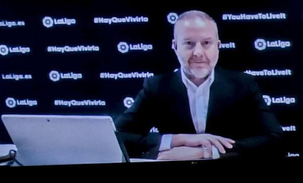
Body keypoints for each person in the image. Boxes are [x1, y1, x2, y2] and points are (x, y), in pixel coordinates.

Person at [116, 10, 283, 160]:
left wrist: (205, 151)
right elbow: (119, 136)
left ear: (218, 47)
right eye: (188, 43)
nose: (198, 52)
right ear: (175, 46)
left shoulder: (243, 84)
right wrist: (177, 140)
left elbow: (274, 138)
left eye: (206, 43)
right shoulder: (157, 86)